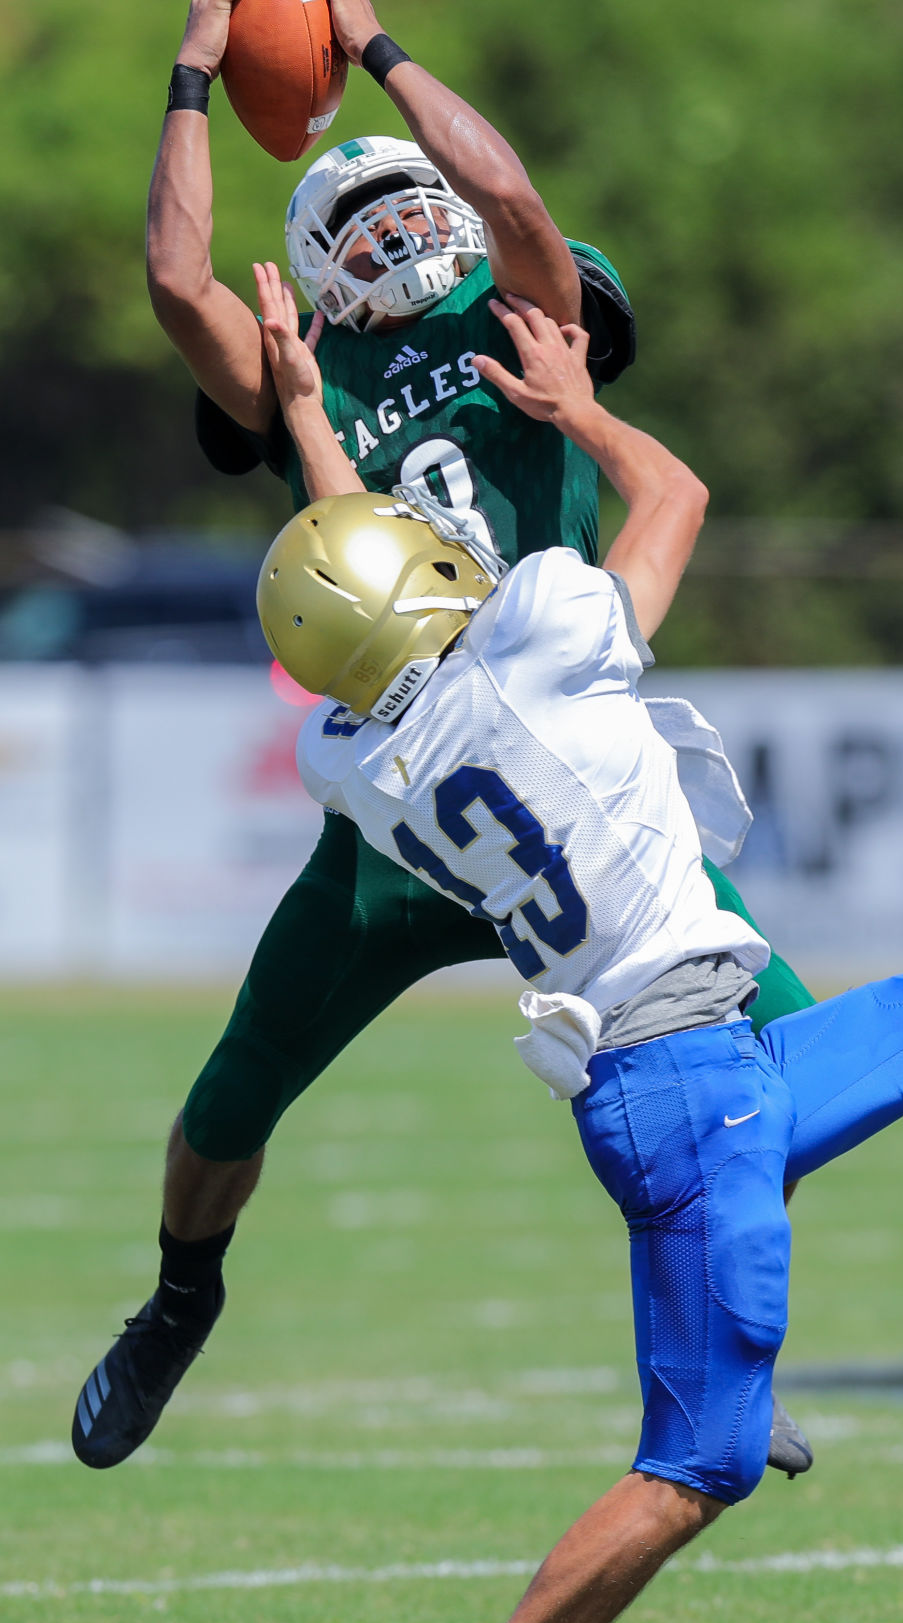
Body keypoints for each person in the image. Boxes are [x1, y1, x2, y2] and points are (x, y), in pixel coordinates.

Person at [253, 278, 903, 1623]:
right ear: (423, 586)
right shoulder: (545, 630)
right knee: (696, 1469)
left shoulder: (357, 763)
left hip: (707, 1060)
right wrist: (579, 412)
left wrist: (310, 413)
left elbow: (363, 583)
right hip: (687, 1094)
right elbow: (672, 489)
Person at [71, 0, 815, 1477]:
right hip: (403, 818)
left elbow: (519, 203)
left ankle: (724, 1347)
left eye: (414, 190)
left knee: (793, 1048)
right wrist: (196, 76)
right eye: (359, 210)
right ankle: (179, 1297)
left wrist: (377, 41)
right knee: (231, 1099)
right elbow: (172, 275)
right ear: (316, 269)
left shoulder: (530, 330)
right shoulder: (307, 385)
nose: (403, 218)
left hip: (581, 789)